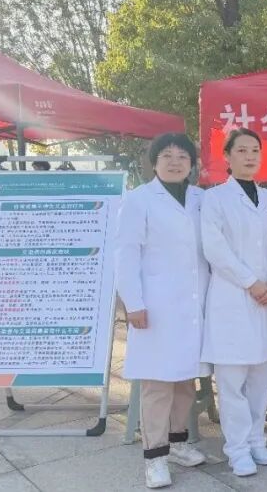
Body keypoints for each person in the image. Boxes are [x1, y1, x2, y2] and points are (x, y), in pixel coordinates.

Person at [114, 134, 210, 489]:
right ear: (154, 163)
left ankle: (178, 442)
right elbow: (126, 253)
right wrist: (134, 302)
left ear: (191, 164)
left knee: (185, 380)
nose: (175, 161)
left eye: (182, 156)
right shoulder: (138, 199)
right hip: (156, 306)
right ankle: (154, 457)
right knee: (157, 384)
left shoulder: (201, 199)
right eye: (166, 155)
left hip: (195, 304)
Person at [201, 128, 267, 477]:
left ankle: (257, 441)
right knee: (232, 381)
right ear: (227, 157)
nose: (250, 156)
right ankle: (236, 450)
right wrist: (251, 283)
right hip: (232, 298)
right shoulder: (214, 199)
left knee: (262, 377)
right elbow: (215, 248)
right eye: (242, 150)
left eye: (255, 150)